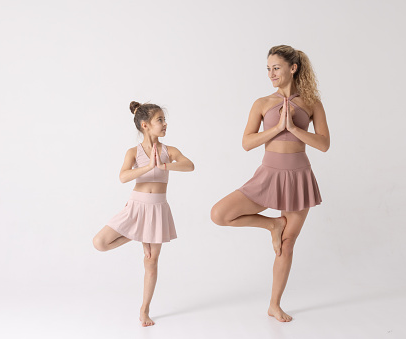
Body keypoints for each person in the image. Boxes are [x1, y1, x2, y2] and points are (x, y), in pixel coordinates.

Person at [210, 45, 330, 322]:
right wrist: (277, 128)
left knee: (287, 245)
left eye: (276, 67)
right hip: (268, 175)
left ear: (293, 68)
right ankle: (272, 224)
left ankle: (274, 305)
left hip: (299, 176)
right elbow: (246, 143)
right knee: (220, 214)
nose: (271, 73)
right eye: (268, 69)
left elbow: (323, 144)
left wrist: (295, 128)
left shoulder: (312, 103)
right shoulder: (262, 103)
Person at [92, 101, 194, 327]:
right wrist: (149, 167)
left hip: (158, 209)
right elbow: (123, 177)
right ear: (145, 125)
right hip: (136, 206)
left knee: (150, 261)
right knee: (99, 242)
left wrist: (164, 166)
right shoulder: (133, 152)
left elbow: (189, 165)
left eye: (164, 120)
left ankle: (144, 310)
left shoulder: (169, 151)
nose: (165, 124)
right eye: (160, 120)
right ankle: (136, 234)